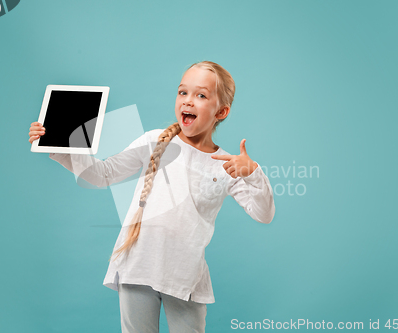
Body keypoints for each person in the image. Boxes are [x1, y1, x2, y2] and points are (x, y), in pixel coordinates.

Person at [28, 60, 275, 333]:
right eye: (183, 92)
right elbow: (101, 174)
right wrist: (61, 144)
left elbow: (263, 215)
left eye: (201, 95)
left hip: (185, 277)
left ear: (222, 111)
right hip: (138, 265)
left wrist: (253, 173)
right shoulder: (154, 141)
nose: (188, 101)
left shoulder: (227, 164)